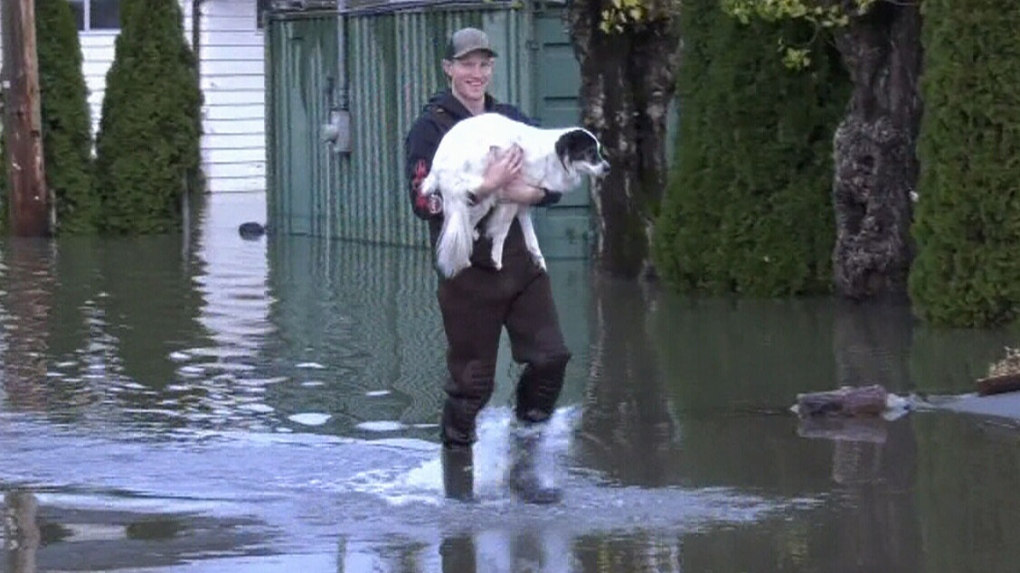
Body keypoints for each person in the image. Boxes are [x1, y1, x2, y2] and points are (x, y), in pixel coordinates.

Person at [403, 27, 571, 504]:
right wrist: (486, 186)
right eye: (467, 64)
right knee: (472, 383)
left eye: (484, 64)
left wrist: (530, 194)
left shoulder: (509, 119)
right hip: (467, 271)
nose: (476, 73)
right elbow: (422, 202)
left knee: (551, 358)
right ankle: (458, 487)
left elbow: (553, 175)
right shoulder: (430, 128)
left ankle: (523, 465)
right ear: (449, 69)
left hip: (520, 263)